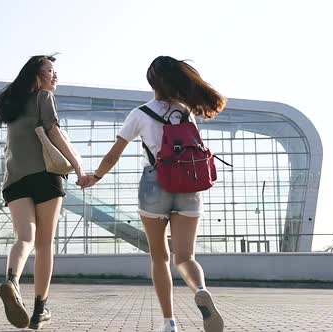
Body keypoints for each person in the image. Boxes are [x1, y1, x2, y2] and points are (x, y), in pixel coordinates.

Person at [77, 56, 226, 332]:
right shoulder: (187, 112)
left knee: (160, 257)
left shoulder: (140, 114)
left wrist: (95, 176)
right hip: (189, 184)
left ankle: (169, 322)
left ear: (152, 83)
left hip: (155, 185)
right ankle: (200, 290)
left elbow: (114, 153)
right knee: (186, 257)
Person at [0, 54, 84, 330]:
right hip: (45, 177)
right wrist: (78, 167)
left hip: (14, 181)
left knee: (24, 239)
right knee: (44, 245)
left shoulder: (12, 106)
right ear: (37, 75)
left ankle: (12, 281)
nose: (56, 77)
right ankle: (40, 309)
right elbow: (54, 132)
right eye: (51, 71)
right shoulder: (44, 97)